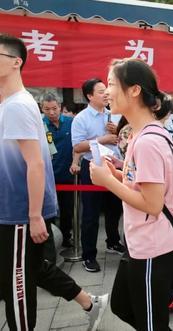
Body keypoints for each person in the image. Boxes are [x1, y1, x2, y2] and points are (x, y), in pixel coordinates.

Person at [0, 33, 107, 331]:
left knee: (17, 284)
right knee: (31, 269)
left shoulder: (17, 106)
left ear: (15, 62)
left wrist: (35, 216)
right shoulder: (10, 103)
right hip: (13, 209)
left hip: (20, 211)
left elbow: (34, 163)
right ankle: (90, 302)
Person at [90, 58, 173, 331]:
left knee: (150, 323)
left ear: (134, 90)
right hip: (140, 243)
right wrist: (118, 175)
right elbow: (142, 186)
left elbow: (152, 204)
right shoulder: (142, 134)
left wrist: (108, 181)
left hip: (153, 247)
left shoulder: (148, 141)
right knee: (122, 305)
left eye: (112, 84)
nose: (107, 91)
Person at [71, 78, 125, 272]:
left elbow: (122, 141)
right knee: (91, 214)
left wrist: (118, 133)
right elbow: (77, 146)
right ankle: (88, 255)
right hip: (92, 166)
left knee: (115, 208)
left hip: (115, 165)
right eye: (101, 91)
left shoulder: (114, 115)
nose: (106, 94)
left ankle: (113, 241)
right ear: (89, 95)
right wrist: (103, 139)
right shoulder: (81, 118)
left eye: (107, 90)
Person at [41, 92, 77, 248]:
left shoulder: (71, 122)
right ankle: (48, 240)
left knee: (67, 209)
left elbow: (78, 145)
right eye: (47, 109)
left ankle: (66, 237)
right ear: (42, 109)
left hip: (67, 174)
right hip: (46, 175)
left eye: (54, 108)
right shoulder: (39, 125)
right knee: (48, 210)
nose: (51, 112)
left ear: (60, 107)